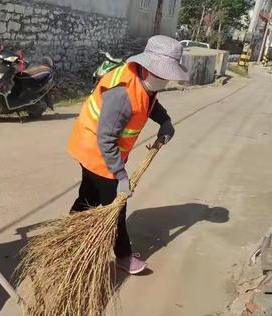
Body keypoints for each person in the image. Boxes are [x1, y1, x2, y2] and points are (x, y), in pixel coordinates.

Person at [69, 35, 189, 275]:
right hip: (97, 152)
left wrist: (165, 122)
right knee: (116, 206)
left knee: (89, 193)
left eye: (167, 76)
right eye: (161, 74)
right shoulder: (122, 94)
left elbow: (149, 103)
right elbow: (106, 140)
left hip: (97, 148)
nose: (164, 80)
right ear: (146, 68)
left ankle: (69, 228)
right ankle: (123, 255)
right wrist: (121, 175)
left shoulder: (143, 81)